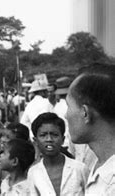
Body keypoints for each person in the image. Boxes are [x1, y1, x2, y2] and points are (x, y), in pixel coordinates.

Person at [66, 64, 115, 195]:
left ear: (85, 113)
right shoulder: (100, 164)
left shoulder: (111, 183)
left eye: (69, 106)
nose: (66, 115)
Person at [28, 112, 88, 195]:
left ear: (63, 139)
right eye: (43, 135)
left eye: (54, 135)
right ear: (36, 141)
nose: (49, 139)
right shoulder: (33, 173)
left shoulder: (79, 169)